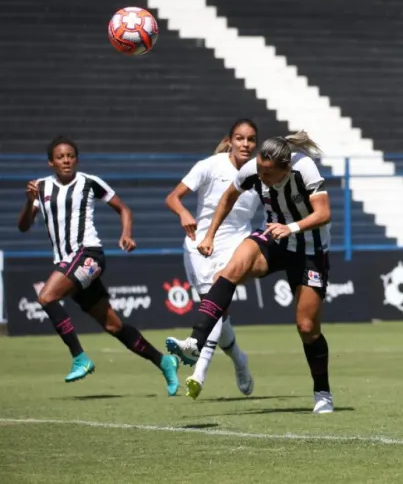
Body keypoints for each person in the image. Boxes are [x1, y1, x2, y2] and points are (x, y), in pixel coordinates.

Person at [167, 133, 335, 413]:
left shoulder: (304, 167)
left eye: (268, 174)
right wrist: (209, 235)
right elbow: (228, 197)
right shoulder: (254, 169)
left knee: (307, 327)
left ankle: (322, 393)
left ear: (285, 169)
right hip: (273, 237)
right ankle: (195, 343)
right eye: (259, 170)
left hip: (309, 249)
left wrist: (291, 228)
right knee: (228, 270)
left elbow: (324, 213)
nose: (261, 177)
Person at [16, 136, 180, 395]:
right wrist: (28, 201)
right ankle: (164, 361)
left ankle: (79, 357)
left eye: (70, 155)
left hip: (88, 255)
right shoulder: (41, 188)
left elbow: (124, 208)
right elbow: (23, 226)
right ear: (51, 162)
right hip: (66, 262)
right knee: (113, 325)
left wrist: (126, 233)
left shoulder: (90, 182)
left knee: (46, 297)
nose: (66, 160)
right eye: (60, 157)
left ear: (76, 159)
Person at [164, 119, 261, 400]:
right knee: (219, 312)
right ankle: (239, 360)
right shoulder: (211, 165)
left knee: (214, 307)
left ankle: (199, 374)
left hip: (236, 247)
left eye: (251, 139)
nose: (245, 144)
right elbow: (173, 197)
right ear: (230, 140)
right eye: (240, 138)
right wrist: (183, 213)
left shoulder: (260, 174)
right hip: (199, 246)